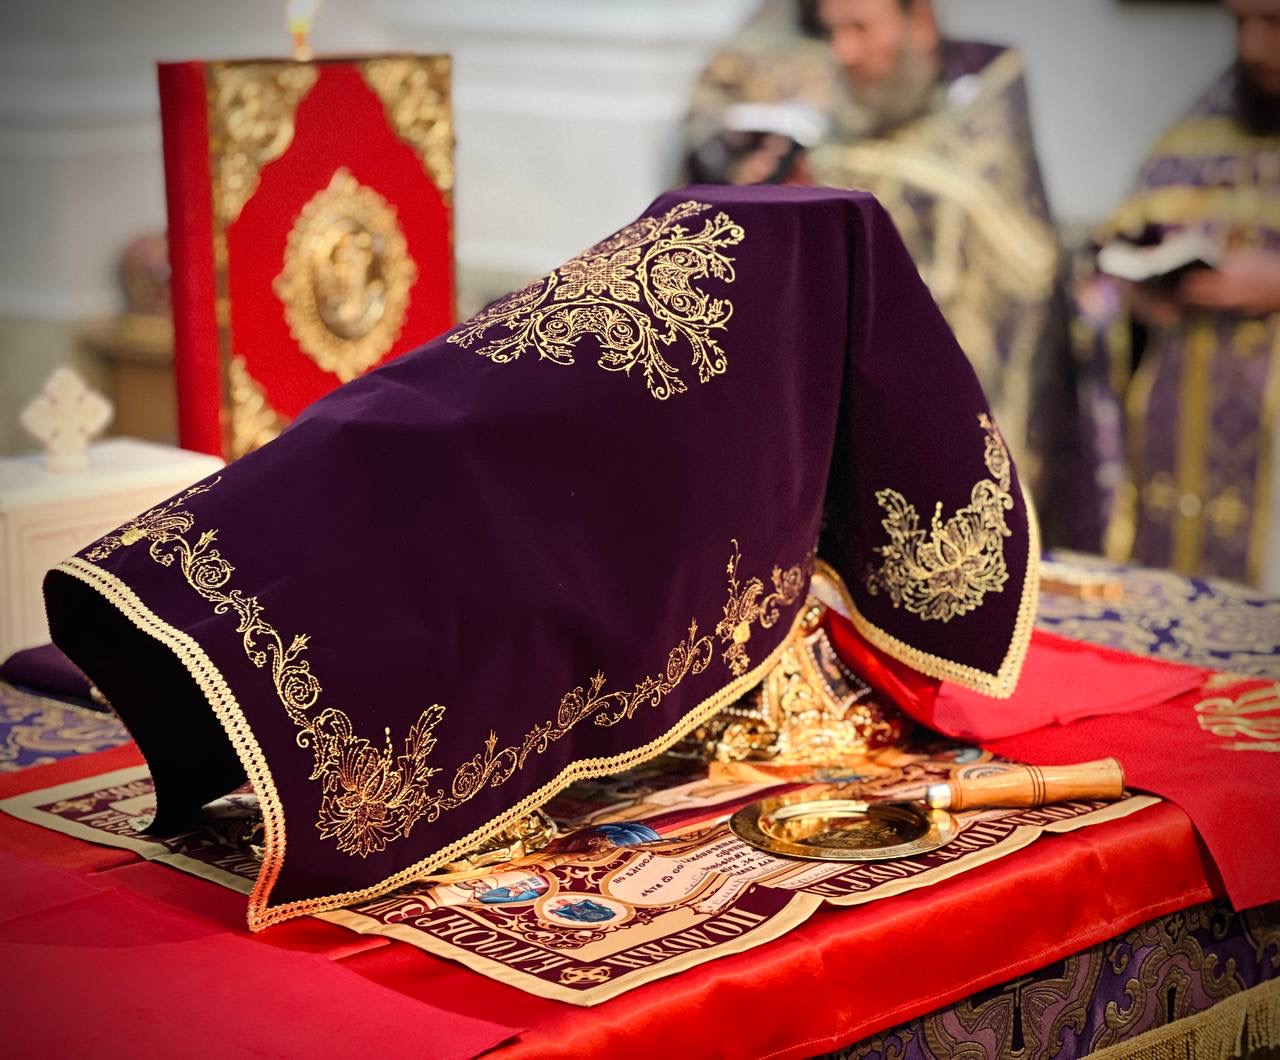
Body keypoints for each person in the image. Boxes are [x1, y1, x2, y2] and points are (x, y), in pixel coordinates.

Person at [685, 0, 1076, 543]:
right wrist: (775, 198)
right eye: (832, 31)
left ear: (921, 23)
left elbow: (1015, 261)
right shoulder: (829, 127)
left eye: (861, 28)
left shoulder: (984, 107)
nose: (843, 51)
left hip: (951, 423)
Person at [1076, 0, 1280, 587]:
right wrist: (1141, 294)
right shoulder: (1204, 127)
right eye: (1240, 23)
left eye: (1274, 23)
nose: (1252, 48)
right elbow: (1112, 255)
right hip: (1183, 430)